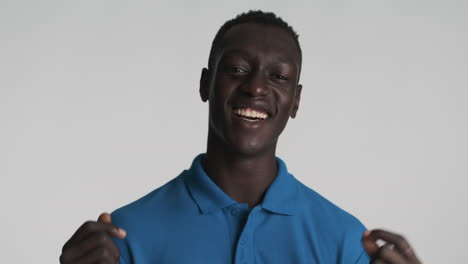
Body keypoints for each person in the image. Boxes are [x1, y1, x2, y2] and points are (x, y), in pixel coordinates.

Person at [60, 10, 422, 264]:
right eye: (237, 69)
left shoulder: (345, 239)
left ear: (295, 101)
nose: (256, 88)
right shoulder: (127, 236)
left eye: (279, 77)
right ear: (205, 84)